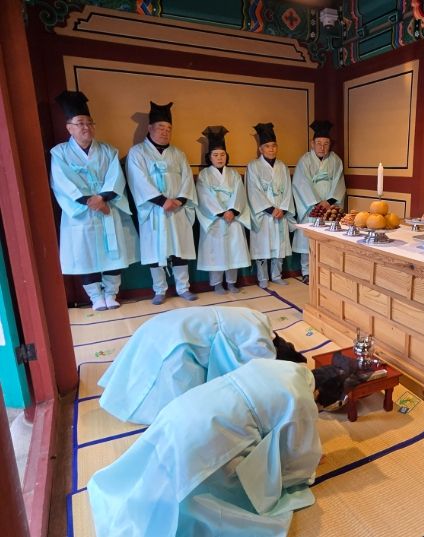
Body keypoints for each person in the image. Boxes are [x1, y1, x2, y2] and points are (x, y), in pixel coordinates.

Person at [88, 359, 322, 537]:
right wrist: (302, 475)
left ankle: (134, 504)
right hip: (206, 430)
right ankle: (144, 519)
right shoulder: (300, 396)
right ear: (317, 392)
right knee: (181, 490)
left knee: (157, 467)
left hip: (185, 407)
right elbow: (298, 453)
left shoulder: (279, 366)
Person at [98, 306, 307, 425]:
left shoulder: (259, 319)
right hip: (179, 338)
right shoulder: (260, 344)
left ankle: (122, 396)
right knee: (180, 411)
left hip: (167, 322)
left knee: (142, 367)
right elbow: (250, 377)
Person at [50, 90, 139, 311]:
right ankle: (95, 297)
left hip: (108, 205)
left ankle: (111, 293)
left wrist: (102, 198)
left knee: (113, 251)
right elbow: (62, 182)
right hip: (81, 211)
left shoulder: (108, 150)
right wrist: (90, 201)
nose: (86, 128)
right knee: (86, 255)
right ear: (69, 127)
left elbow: (115, 177)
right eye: (80, 123)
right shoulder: (60, 153)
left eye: (89, 123)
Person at [126, 101, 198, 304]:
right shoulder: (137, 152)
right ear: (150, 128)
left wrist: (179, 200)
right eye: (160, 127)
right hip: (154, 210)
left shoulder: (178, 154)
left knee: (180, 249)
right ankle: (159, 290)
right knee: (155, 250)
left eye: (168, 129)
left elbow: (187, 179)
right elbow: (138, 180)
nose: (165, 132)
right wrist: (161, 201)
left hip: (177, 209)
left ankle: (183, 288)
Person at [196, 126, 251, 294]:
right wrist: (221, 212)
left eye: (222, 155)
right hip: (215, 219)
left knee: (233, 250)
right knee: (216, 252)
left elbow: (239, 193)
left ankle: (232, 282)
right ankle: (217, 284)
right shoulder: (204, 175)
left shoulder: (234, 174)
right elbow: (204, 196)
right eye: (215, 155)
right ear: (209, 157)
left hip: (233, 218)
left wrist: (232, 211)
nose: (219, 158)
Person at [292, 120, 346, 284]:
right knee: (307, 239)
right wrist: (316, 203)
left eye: (326, 144)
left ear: (330, 144)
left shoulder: (336, 161)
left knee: (328, 238)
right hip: (311, 206)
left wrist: (329, 202)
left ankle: (326, 270)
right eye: (319, 143)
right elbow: (301, 183)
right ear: (312, 143)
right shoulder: (305, 161)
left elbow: (339, 183)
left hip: (329, 205)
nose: (322, 147)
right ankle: (306, 271)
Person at [246, 123, 296, 289]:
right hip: (264, 213)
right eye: (267, 146)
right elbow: (253, 191)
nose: (271, 149)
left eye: (274, 146)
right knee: (263, 245)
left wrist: (283, 208)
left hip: (280, 211)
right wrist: (270, 209)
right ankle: (262, 277)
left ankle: (276, 275)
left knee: (279, 244)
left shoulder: (282, 166)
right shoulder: (253, 166)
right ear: (261, 149)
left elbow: (288, 190)